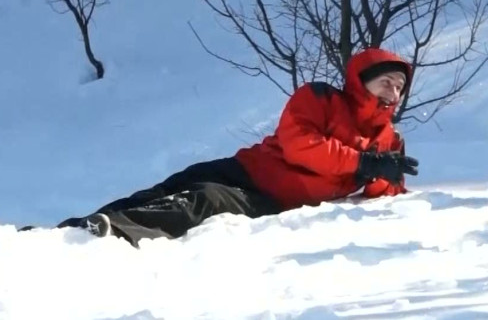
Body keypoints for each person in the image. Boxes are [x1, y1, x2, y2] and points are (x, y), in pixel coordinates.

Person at [50, 48, 420, 246]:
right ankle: (77, 227)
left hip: (274, 198)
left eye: (399, 87)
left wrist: (383, 176)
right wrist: (363, 163)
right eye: (386, 81)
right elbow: (299, 144)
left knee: (203, 200)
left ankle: (115, 233)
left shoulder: (389, 141)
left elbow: (383, 194)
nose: (393, 91)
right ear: (361, 81)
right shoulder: (321, 97)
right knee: (174, 184)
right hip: (247, 166)